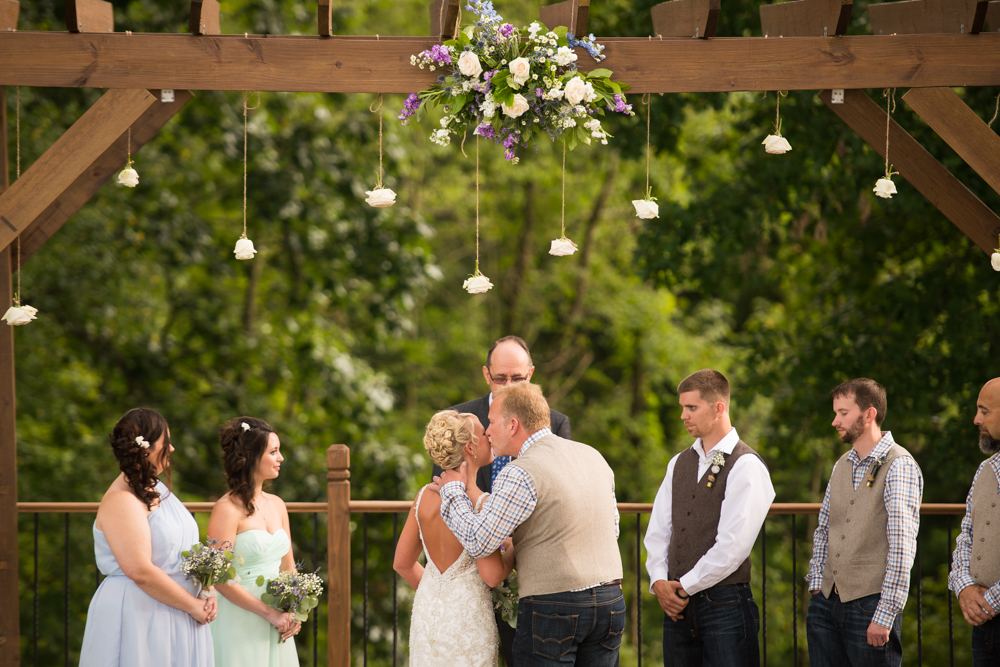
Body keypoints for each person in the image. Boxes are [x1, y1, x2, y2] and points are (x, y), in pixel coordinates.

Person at [438, 382, 624, 667]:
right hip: (611, 603)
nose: (487, 431)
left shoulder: (519, 472)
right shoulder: (593, 455)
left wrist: (452, 492)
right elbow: (613, 529)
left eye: (491, 422)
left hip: (554, 609)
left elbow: (479, 541)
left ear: (512, 425)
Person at [433, 335, 571, 667]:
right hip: (471, 568)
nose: (508, 385)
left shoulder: (555, 422)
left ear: (532, 373)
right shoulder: (459, 419)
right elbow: (444, 489)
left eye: (518, 378)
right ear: (486, 374)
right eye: (500, 378)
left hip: (530, 570)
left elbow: (557, 495)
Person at [644, 369, 774, 667]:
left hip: (724, 606)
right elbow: (659, 531)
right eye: (682, 408)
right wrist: (659, 581)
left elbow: (732, 547)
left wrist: (683, 585)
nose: (683, 416)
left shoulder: (746, 465)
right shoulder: (678, 463)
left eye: (691, 407)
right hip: (676, 606)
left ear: (719, 408)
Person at [80, 407, 216, 666]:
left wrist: (207, 590)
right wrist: (192, 605)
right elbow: (140, 570)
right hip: (140, 614)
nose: (172, 449)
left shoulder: (157, 488)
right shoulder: (122, 500)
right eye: (167, 442)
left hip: (178, 610)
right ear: (146, 449)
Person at [806, 378, 923, 667]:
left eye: (843, 413)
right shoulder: (841, 464)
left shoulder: (899, 464)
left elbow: (902, 546)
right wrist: (816, 583)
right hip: (826, 602)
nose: (835, 421)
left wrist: (886, 614)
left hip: (871, 606)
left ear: (869, 414)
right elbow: (824, 529)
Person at [394, 410, 515, 667]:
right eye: (483, 433)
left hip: (428, 615)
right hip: (467, 620)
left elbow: (402, 563)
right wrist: (515, 549)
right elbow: (493, 575)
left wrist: (438, 591)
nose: (489, 435)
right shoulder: (481, 504)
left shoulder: (424, 496)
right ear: (471, 448)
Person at [208, 417, 300, 665]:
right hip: (240, 618)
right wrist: (269, 613)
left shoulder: (278, 505)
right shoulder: (226, 510)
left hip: (278, 621)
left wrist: (294, 610)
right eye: (273, 451)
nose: (280, 458)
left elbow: (288, 566)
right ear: (251, 457)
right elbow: (219, 577)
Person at [949, 377, 1000, 665]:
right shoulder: (985, 469)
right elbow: (965, 536)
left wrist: (989, 602)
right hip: (984, 627)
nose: (975, 419)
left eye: (984, 411)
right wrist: (964, 587)